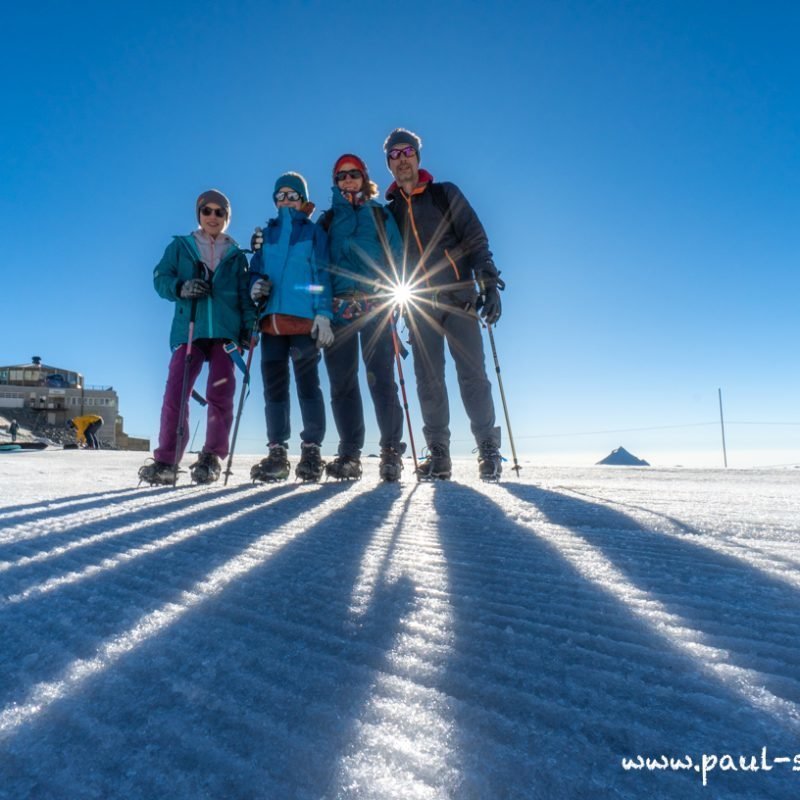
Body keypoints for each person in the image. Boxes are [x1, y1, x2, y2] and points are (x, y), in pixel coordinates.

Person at [383, 128, 505, 481]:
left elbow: (474, 235)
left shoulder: (443, 194)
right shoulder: (390, 212)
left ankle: (488, 450)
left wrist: (487, 276)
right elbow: (387, 261)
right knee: (428, 381)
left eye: (407, 152)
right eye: (394, 155)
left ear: (418, 157)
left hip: (458, 298)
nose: (401, 159)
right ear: (389, 165)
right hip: (418, 306)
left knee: (473, 377)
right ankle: (439, 454)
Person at [138, 189, 255, 486]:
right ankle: (167, 458)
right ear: (199, 214)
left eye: (219, 212)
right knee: (176, 392)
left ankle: (211, 457)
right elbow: (160, 278)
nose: (212, 217)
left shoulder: (237, 255)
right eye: (207, 211)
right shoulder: (182, 247)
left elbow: (245, 297)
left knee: (221, 394)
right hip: (190, 330)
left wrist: (249, 330)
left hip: (225, 336)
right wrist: (181, 287)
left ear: (227, 218)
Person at [320, 154, 406, 481]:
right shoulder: (328, 222)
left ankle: (390, 452)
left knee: (381, 380)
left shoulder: (380, 216)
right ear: (335, 182)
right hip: (338, 312)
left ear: (364, 177)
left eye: (353, 174)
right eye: (341, 176)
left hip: (376, 308)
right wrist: (321, 312)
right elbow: (317, 265)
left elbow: (397, 257)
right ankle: (349, 453)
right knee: (342, 384)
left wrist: (396, 298)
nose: (348, 180)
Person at [248, 172, 333, 483]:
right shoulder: (266, 234)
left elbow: (322, 274)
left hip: (302, 321)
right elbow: (255, 270)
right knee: (274, 389)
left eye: (292, 194)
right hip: (270, 323)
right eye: (281, 195)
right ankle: (277, 452)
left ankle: (311, 451)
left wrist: (323, 313)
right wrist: (255, 286)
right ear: (275, 200)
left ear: (301, 198)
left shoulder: (312, 233)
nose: (286, 199)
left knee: (308, 385)